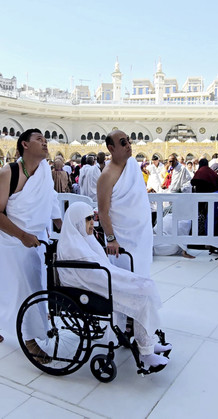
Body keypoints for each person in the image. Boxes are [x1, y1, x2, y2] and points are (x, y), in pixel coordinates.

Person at [0, 129, 62, 359]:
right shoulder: (7, 173)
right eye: (39, 139)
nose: (45, 143)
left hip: (36, 237)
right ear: (25, 145)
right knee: (27, 287)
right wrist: (21, 236)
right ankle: (30, 340)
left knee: (17, 285)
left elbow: (51, 198)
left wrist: (62, 226)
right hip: (10, 237)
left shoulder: (44, 170)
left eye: (46, 139)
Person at [57, 202, 171, 369]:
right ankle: (146, 352)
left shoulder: (86, 239)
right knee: (141, 298)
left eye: (92, 218)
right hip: (89, 288)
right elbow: (90, 275)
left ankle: (149, 343)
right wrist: (119, 281)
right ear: (76, 221)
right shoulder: (71, 246)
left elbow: (100, 268)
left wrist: (120, 279)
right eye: (88, 219)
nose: (92, 223)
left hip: (100, 280)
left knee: (143, 288)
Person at [97, 130, 153, 277]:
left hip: (141, 234)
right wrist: (111, 239)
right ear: (111, 148)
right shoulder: (107, 176)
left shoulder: (133, 164)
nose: (128, 145)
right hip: (121, 239)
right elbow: (103, 212)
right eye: (123, 142)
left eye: (128, 140)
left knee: (142, 274)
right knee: (124, 278)